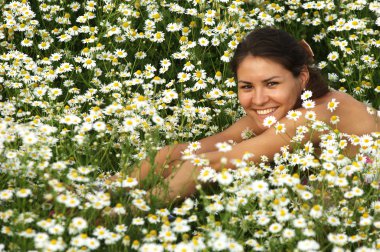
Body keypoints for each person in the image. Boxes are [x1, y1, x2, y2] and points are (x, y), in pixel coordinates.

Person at [126, 27, 378, 203]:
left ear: (302, 77)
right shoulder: (287, 106)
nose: (258, 100)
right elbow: (196, 150)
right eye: (247, 86)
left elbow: (209, 164)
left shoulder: (314, 116)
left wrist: (128, 212)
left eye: (271, 84)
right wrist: (109, 188)